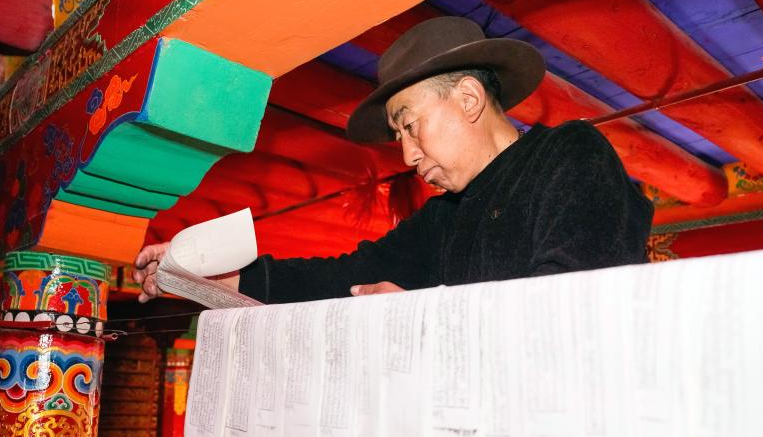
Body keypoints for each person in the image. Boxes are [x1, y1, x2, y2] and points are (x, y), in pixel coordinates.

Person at [133, 17, 652, 303]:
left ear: (468, 99)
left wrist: (416, 318)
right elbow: (351, 273)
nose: (406, 153)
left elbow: (566, 305)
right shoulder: (446, 216)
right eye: (398, 135)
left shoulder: (570, 156)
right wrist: (204, 281)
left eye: (410, 124)